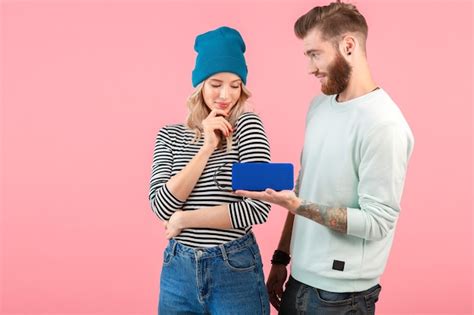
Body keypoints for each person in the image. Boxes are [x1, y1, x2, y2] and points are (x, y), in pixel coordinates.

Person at [235, 2, 415, 314]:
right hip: (298, 282)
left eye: (315, 54)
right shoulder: (319, 107)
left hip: (343, 299)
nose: (310, 67)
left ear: (348, 46)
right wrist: (281, 258)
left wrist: (297, 205)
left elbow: (377, 222)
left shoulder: (384, 125)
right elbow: (303, 188)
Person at [148, 26, 271, 314]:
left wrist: (185, 219)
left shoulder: (249, 127)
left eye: (235, 84)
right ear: (200, 84)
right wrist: (206, 148)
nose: (225, 95)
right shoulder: (170, 135)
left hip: (234, 268)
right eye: (216, 84)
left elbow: (258, 208)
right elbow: (161, 207)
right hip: (178, 271)